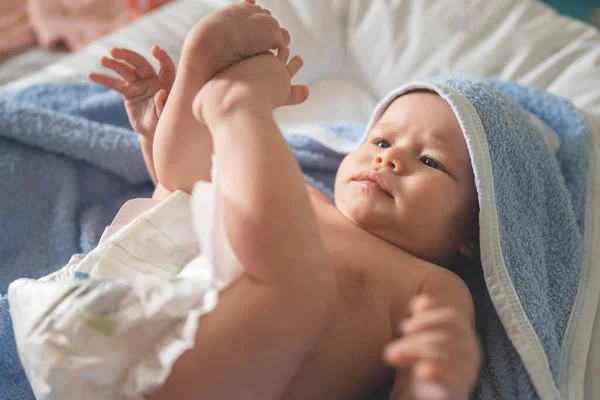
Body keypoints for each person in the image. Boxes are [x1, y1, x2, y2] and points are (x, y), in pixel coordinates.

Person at [89, 1, 482, 399]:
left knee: (297, 278)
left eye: (430, 160)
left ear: (474, 232)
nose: (389, 158)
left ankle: (232, 105)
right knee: (192, 193)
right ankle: (200, 83)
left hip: (213, 379)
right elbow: (184, 206)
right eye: (380, 140)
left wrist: (439, 381)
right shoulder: (299, 195)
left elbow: (420, 382)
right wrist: (157, 135)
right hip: (127, 323)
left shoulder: (434, 287)